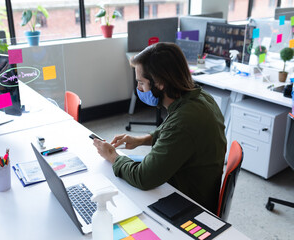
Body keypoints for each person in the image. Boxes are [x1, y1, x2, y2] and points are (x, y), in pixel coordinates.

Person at [92, 42, 226, 213]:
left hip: (189, 201)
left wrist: (112, 156)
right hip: (194, 181)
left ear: (160, 83)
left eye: (141, 83)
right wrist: (143, 140)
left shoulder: (184, 121)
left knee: (120, 188)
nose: (138, 89)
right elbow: (172, 130)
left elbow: (143, 178)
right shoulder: (199, 97)